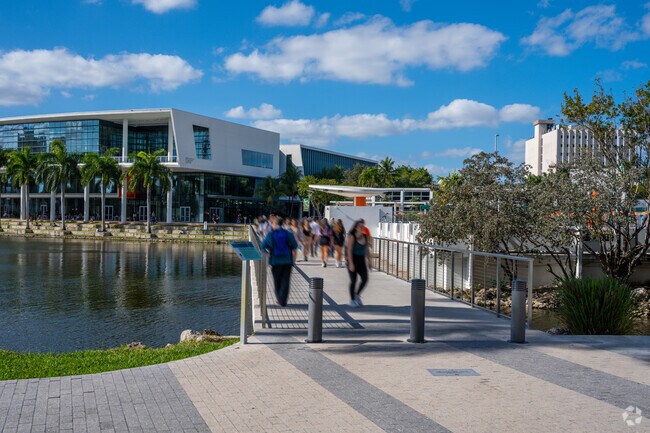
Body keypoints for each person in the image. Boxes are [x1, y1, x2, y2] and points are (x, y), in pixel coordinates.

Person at [261, 216, 298, 307]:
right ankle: (283, 301)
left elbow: (262, 246)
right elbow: (295, 245)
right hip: (287, 261)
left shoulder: (270, 233)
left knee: (276, 281)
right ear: (282, 224)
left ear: (274, 224)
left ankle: (279, 299)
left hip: (275, 261)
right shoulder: (288, 232)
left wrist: (268, 252)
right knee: (286, 281)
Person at [346, 219, 371, 307]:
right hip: (353, 259)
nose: (361, 228)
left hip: (361, 260)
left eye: (363, 226)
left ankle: (357, 294)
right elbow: (349, 250)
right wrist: (351, 263)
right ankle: (352, 299)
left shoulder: (365, 236)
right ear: (356, 227)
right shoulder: (352, 236)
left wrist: (369, 261)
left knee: (365, 279)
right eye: (360, 226)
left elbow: (367, 249)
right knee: (354, 280)